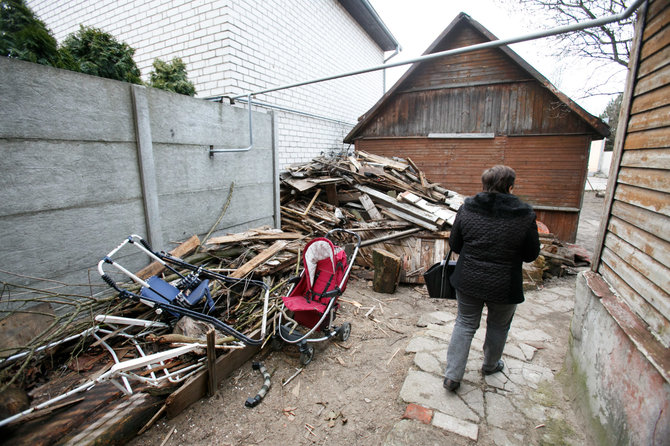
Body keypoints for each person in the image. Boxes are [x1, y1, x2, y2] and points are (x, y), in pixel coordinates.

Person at [443, 165, 540, 391]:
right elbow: (531, 254)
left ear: (484, 185)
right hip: (504, 286)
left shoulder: (467, 209)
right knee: (498, 326)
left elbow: (455, 244)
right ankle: (490, 365)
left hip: (468, 280)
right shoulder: (525, 214)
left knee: (465, 324)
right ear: (510, 186)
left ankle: (452, 377)